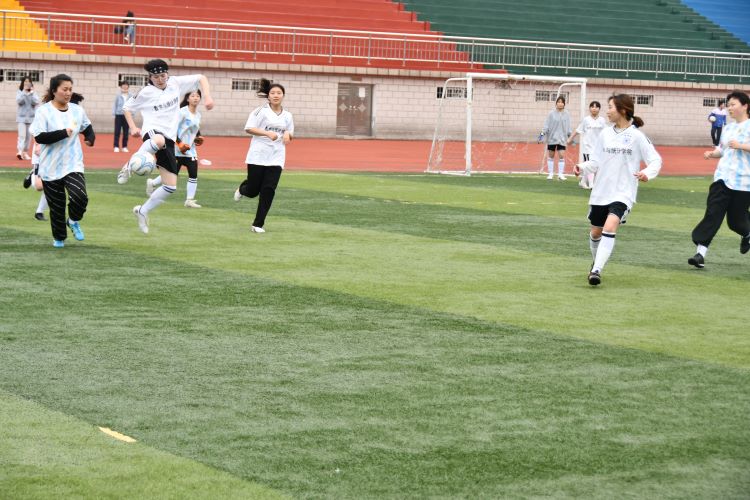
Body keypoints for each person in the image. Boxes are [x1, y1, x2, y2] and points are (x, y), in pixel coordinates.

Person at [118, 58, 214, 234]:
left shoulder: (175, 83)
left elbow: (202, 77)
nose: (160, 79)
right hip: (153, 132)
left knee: (170, 186)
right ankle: (128, 166)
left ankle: (142, 211)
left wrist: (207, 97)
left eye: (163, 75)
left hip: (170, 138)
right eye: (156, 77)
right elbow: (127, 108)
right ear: (150, 77)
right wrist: (132, 127)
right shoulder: (146, 92)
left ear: (167, 74)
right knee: (158, 140)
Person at [574, 94, 662, 286]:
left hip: (623, 193)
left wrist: (647, 173)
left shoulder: (637, 136)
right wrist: (582, 167)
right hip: (601, 192)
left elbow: (655, 160)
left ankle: (596, 270)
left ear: (622, 110)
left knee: (610, 226)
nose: (607, 111)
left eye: (610, 107)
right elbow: (595, 161)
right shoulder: (605, 134)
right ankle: (596, 262)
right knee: (596, 233)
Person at [29, 75, 95, 248]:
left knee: (80, 196)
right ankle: (59, 239)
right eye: (64, 89)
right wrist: (63, 133)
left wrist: (90, 138)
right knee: (57, 208)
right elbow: (40, 137)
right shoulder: (43, 111)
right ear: (54, 91)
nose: (68, 93)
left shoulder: (77, 110)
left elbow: (87, 127)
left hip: (73, 164)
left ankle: (73, 220)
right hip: (50, 166)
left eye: (70, 89)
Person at [688, 91, 750, 269]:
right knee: (712, 214)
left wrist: (741, 146)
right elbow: (723, 150)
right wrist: (712, 153)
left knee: (735, 222)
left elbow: (738, 147)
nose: (729, 108)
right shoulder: (728, 128)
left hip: (743, 182)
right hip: (722, 178)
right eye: (728, 105)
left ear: (745, 106)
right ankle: (700, 254)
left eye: (733, 104)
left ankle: (747, 233)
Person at [233, 79, 294, 234]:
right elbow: (249, 128)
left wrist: (288, 135)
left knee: (268, 190)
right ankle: (242, 189)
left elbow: (290, 132)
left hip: (277, 158)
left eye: (279, 93)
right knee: (253, 191)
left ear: (283, 96)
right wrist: (267, 133)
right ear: (268, 96)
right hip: (258, 156)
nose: (276, 95)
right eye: (273, 93)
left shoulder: (288, 115)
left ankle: (258, 224)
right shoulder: (260, 111)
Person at [146, 89, 205, 208]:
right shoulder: (182, 112)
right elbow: (172, 130)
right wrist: (180, 144)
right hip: (177, 150)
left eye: (198, 96)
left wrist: (198, 138)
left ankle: (189, 200)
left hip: (190, 151)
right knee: (172, 174)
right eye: (192, 96)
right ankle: (152, 183)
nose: (195, 98)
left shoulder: (198, 115)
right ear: (187, 99)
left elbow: (195, 130)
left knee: (193, 174)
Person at [567, 100, 606, 189]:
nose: (594, 109)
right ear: (589, 108)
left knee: (594, 166)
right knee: (589, 164)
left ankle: (583, 182)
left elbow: (606, 133)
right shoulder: (586, 120)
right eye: (592, 107)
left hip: (598, 148)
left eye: (596, 107)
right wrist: (570, 139)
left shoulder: (602, 120)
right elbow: (578, 130)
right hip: (587, 147)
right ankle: (591, 184)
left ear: (599, 109)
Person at [540, 96, 571, 180]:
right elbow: (546, 125)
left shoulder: (567, 114)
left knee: (561, 155)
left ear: (564, 104)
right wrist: (541, 135)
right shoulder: (551, 113)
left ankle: (560, 174)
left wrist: (570, 136)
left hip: (562, 139)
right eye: (559, 102)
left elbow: (568, 126)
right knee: (551, 156)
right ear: (556, 103)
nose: (560, 104)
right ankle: (550, 174)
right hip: (552, 138)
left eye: (562, 102)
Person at [16, 75, 40, 161]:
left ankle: (25, 152)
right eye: (25, 81)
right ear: (23, 83)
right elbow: (19, 101)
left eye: (28, 81)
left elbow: (36, 102)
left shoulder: (33, 93)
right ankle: (19, 151)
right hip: (21, 118)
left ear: (31, 83)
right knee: (22, 136)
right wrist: (24, 92)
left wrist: (31, 93)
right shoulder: (20, 92)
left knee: (28, 137)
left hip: (31, 119)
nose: (27, 83)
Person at [113, 80, 133, 153]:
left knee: (126, 132)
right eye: (123, 85)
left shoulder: (131, 96)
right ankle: (116, 146)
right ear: (121, 87)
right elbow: (115, 105)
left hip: (127, 116)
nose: (125, 86)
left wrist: (132, 114)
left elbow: (133, 105)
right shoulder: (118, 95)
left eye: (126, 85)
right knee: (117, 131)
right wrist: (114, 114)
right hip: (118, 115)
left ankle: (124, 146)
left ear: (128, 86)